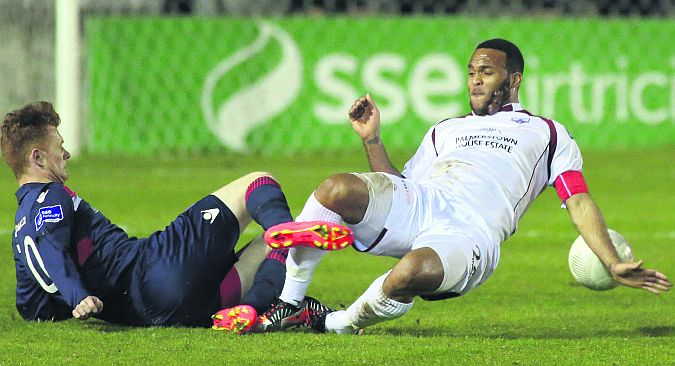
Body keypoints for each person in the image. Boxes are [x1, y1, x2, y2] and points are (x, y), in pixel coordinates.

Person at [250, 38, 672, 334]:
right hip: (423, 202)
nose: (475, 80)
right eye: (471, 72)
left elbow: (577, 199)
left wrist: (612, 261)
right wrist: (372, 139)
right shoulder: (444, 130)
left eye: (486, 72)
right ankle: (289, 301)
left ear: (515, 79)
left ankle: (332, 323)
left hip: (470, 233)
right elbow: (401, 184)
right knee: (336, 189)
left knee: (410, 272)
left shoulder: (548, 133)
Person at [1, 101, 351, 331]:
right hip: (156, 267)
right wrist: (77, 295)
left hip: (167, 314)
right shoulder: (52, 195)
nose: (68, 153)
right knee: (259, 183)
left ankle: (259, 309)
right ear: (38, 158)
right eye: (59, 147)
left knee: (266, 245)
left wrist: (68, 302)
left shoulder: (21, 226)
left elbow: (31, 304)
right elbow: (49, 247)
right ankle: (279, 258)